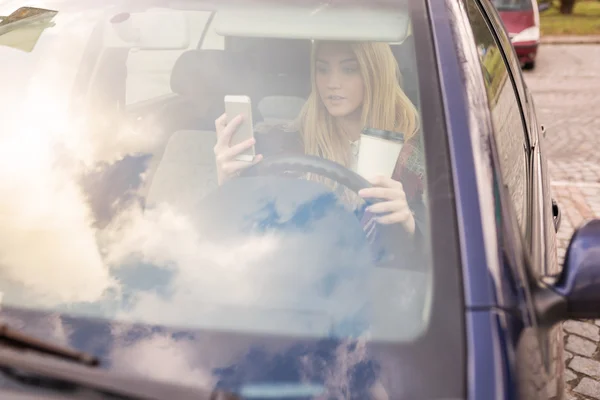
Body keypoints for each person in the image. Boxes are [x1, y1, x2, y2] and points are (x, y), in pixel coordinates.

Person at [213, 40, 425, 240]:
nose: (332, 83)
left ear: (375, 74)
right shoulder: (282, 145)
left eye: (349, 69)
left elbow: (441, 251)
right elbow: (247, 231)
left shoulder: (419, 153)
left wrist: (410, 225)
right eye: (322, 69)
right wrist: (230, 185)